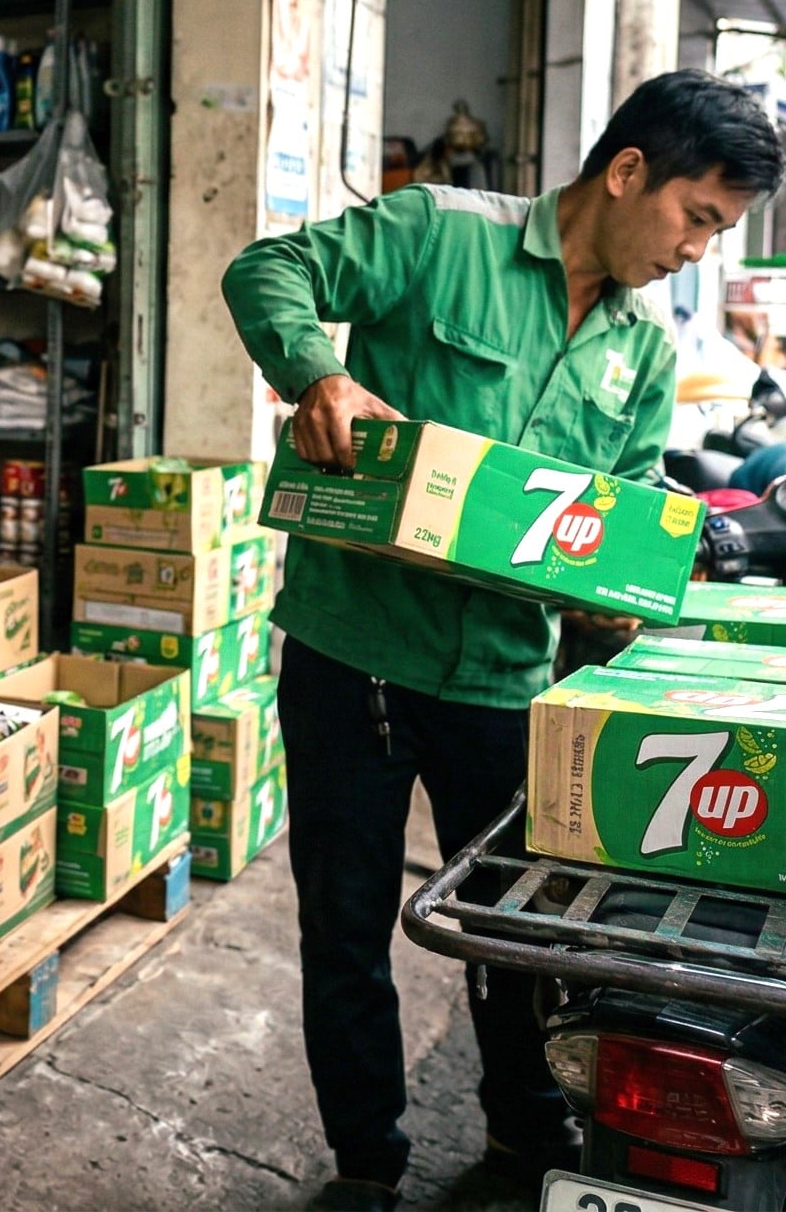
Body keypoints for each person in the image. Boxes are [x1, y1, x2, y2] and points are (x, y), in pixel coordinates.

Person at [221, 69, 784, 1212]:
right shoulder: (437, 233)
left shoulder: (641, 352)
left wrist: (623, 599)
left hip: (502, 679)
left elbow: (620, 515)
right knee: (344, 925)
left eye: (719, 235)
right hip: (348, 652)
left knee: (513, 940)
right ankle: (363, 1168)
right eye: (696, 220)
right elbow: (266, 269)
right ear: (628, 172)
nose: (696, 252)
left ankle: (525, 1149)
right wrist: (316, 371)